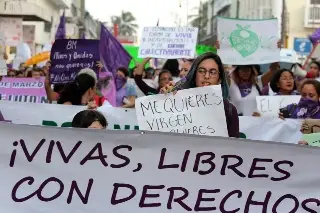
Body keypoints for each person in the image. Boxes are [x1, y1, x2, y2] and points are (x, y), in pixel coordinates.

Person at [161, 52, 240, 138]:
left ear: (219, 79)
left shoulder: (229, 110)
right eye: (201, 71)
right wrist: (163, 100)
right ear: (194, 75)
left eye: (213, 72)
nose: (206, 76)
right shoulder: (178, 101)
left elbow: (233, 148)